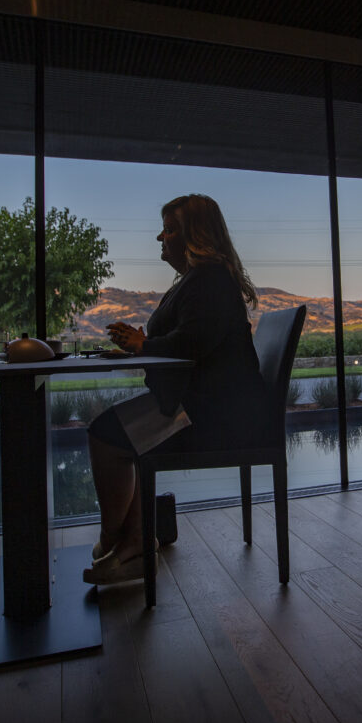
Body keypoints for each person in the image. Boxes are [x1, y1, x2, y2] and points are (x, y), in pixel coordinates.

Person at [83, 194, 266, 585]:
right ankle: (132, 543)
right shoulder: (200, 281)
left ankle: (116, 539)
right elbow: (193, 340)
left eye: (169, 230)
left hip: (208, 417)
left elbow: (192, 344)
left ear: (193, 236)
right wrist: (143, 343)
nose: (159, 238)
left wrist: (142, 345)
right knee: (114, 434)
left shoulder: (210, 279)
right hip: (204, 407)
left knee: (104, 436)